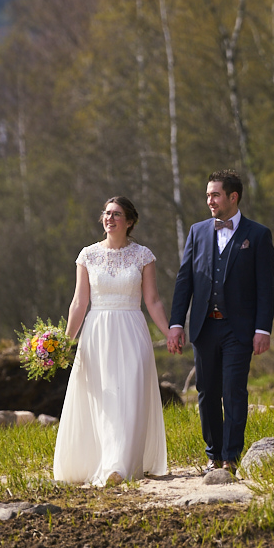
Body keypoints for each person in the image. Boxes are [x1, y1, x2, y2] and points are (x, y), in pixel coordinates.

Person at [52, 195, 172, 485]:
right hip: (97, 332)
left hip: (132, 329)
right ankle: (105, 462)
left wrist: (170, 333)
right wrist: (65, 342)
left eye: (117, 214)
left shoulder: (143, 256)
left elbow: (153, 301)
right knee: (103, 397)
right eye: (107, 213)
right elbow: (79, 303)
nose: (110, 218)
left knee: (129, 394)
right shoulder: (88, 255)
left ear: (129, 221)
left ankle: (120, 466)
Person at [166, 171, 274, 476]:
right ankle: (213, 455)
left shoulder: (258, 235)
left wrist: (263, 329)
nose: (210, 201)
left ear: (233, 197)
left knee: (234, 390)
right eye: (208, 195)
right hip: (204, 327)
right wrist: (176, 323)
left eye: (215, 195)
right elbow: (184, 280)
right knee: (206, 391)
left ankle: (231, 457)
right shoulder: (197, 232)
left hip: (239, 329)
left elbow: (266, 287)